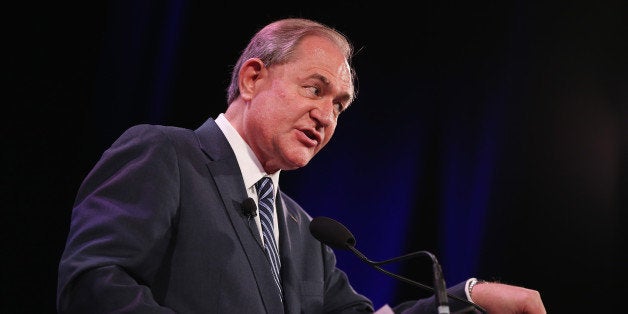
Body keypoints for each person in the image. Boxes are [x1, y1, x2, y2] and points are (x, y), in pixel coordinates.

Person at [57, 17, 546, 313]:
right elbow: (93, 285)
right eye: (315, 89)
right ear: (252, 78)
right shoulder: (166, 154)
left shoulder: (303, 230)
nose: (326, 115)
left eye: (339, 105)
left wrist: (470, 297)